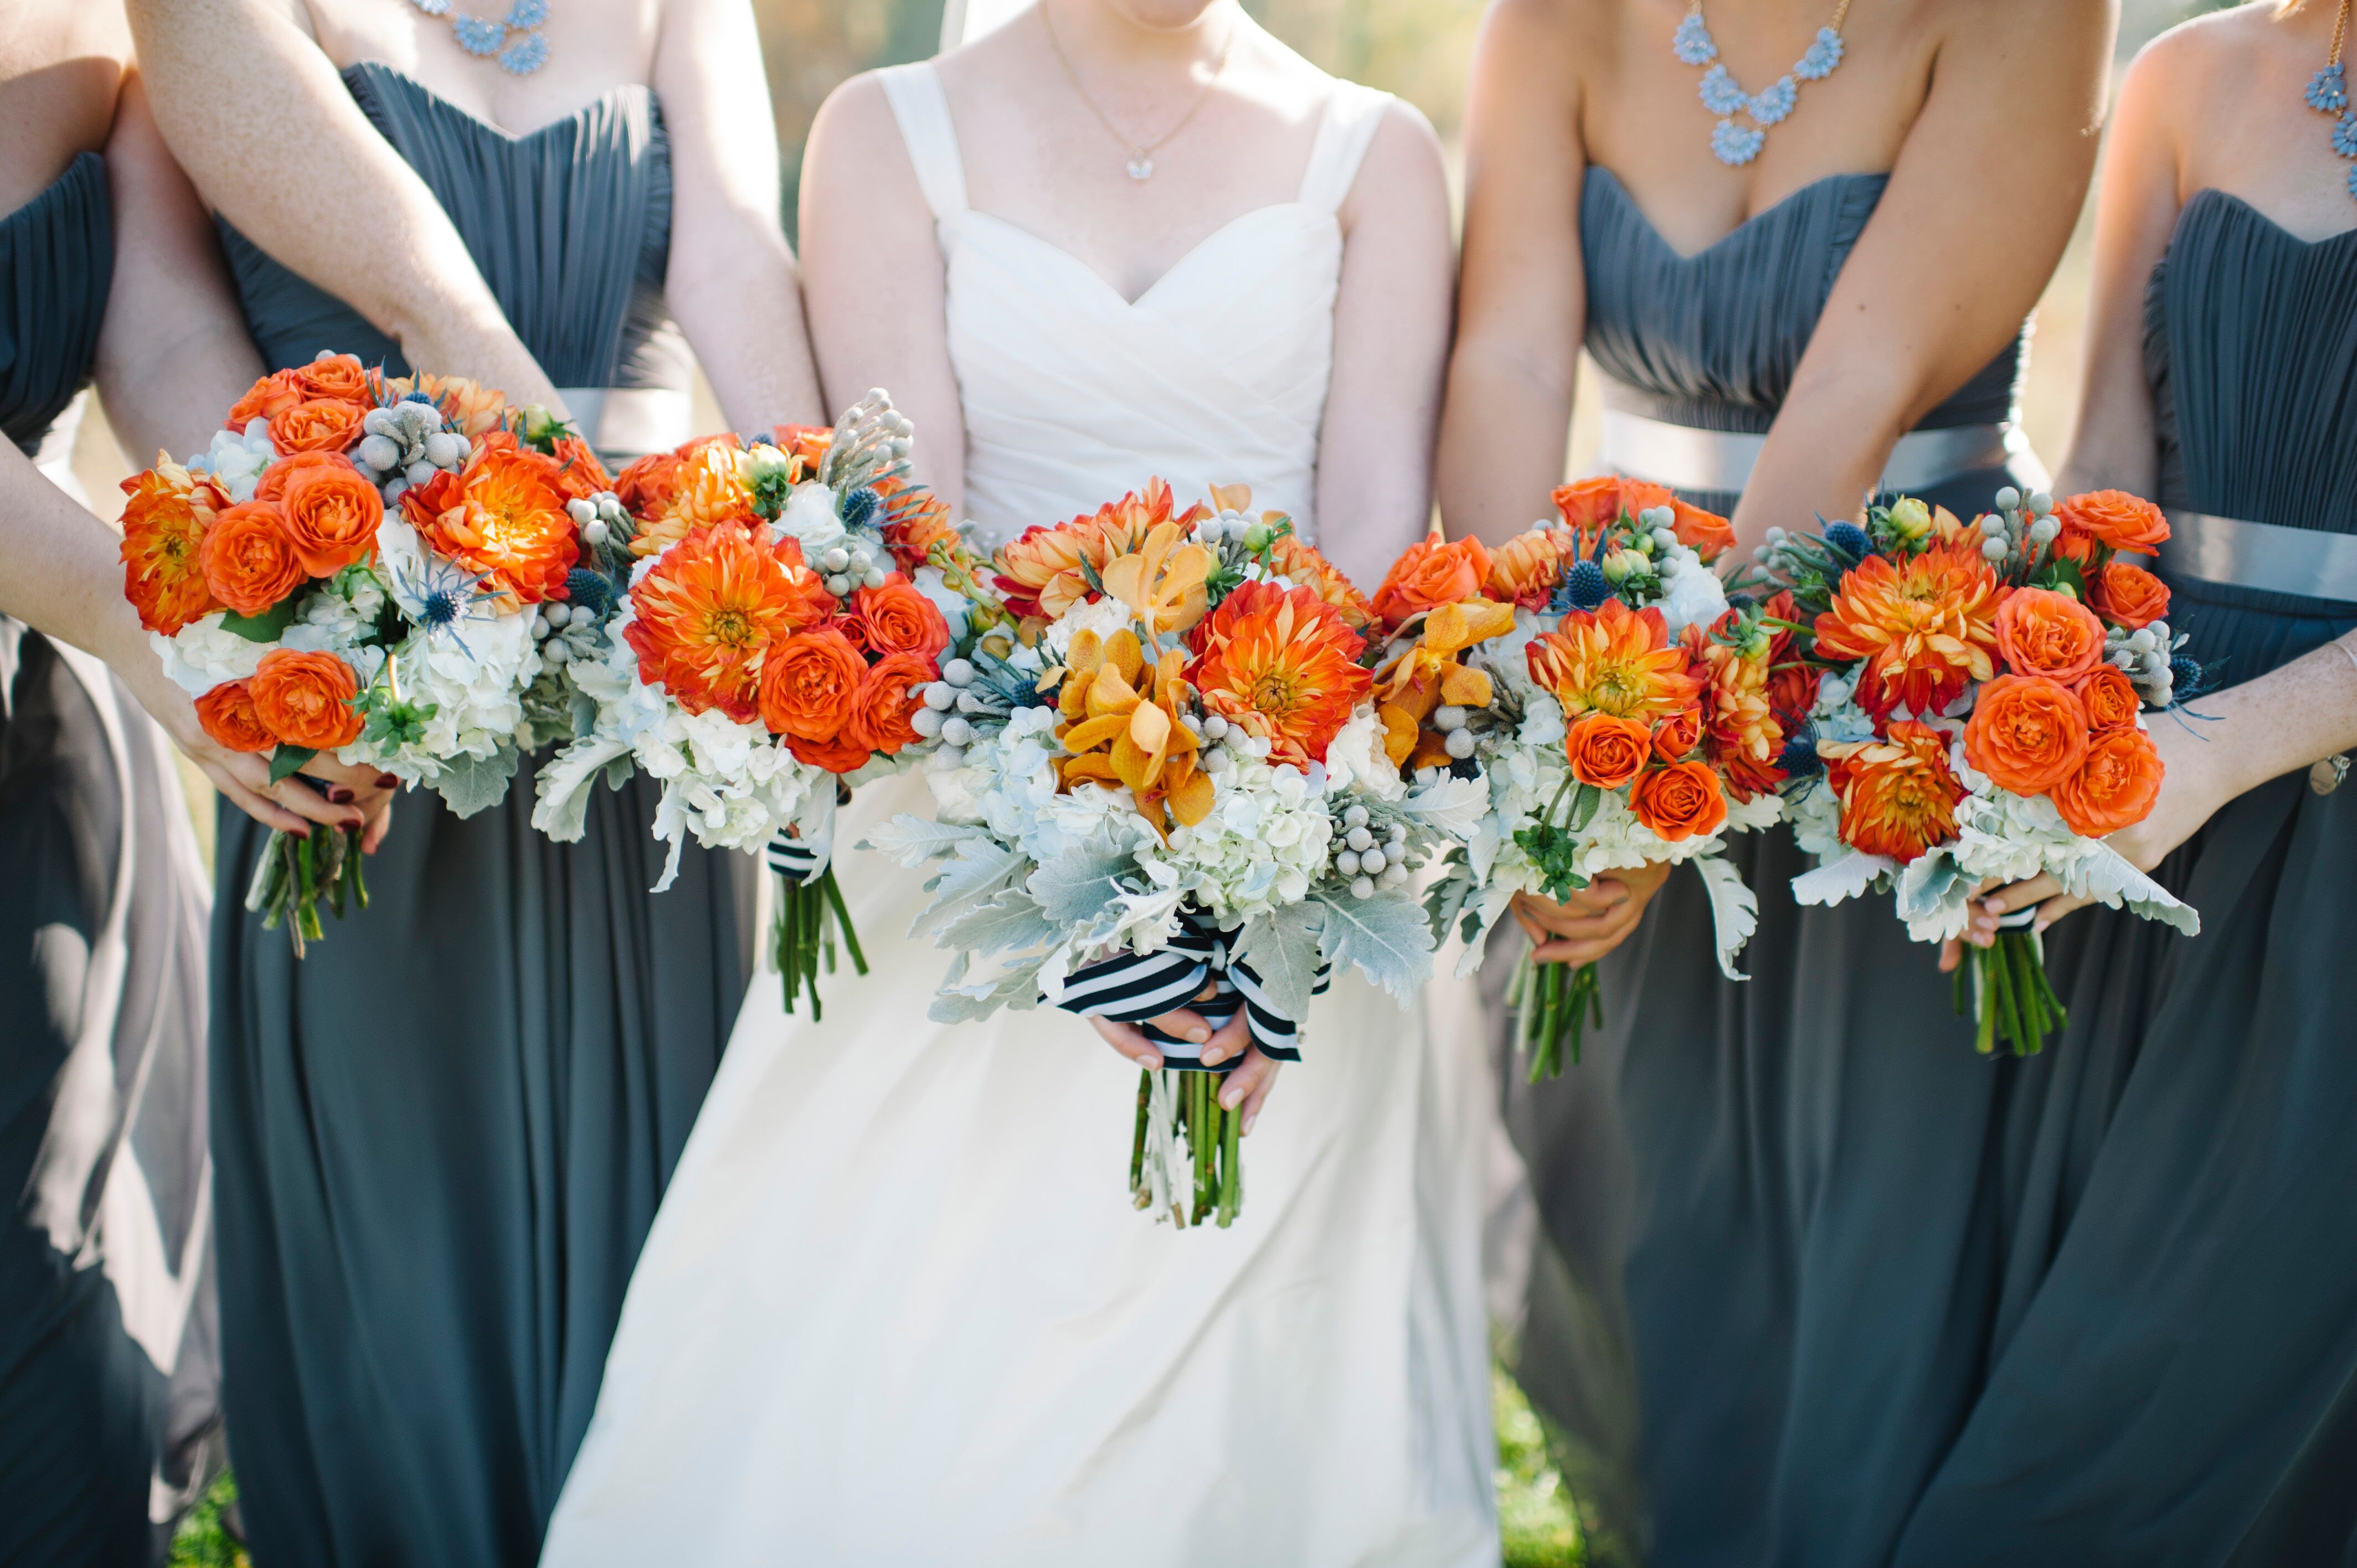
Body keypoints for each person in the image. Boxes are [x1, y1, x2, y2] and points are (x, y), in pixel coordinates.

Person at [541, 2, 1498, 1562]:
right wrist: (1088, 889)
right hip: (964, 823)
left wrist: (1256, 880)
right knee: (918, 1385)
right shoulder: (884, 132)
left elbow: (1376, 558)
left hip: (1291, 844)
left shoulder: (1373, 156)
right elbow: (920, 554)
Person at [123, 0, 825, 1560]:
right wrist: (276, 613)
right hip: (361, 728)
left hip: (633, 726)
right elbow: (163, 333)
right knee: (402, 1298)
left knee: (659, 1293)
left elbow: (731, 260)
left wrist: (829, 552)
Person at [1437, 0, 2110, 1560]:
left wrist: (1684, 771)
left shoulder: (2025, 18)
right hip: (1610, 684)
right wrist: (1526, 745)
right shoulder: (1556, 21)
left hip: (1896, 719)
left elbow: (1849, 402)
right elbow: (1510, 354)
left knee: (1876, 1283)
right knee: (1662, 1263)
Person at [1917, 2, 2357, 1557]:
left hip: (2275, 779)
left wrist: (2210, 759)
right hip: (2150, 778)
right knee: (2070, 1304)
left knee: (2218, 1369)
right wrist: (2043, 729)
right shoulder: (2183, 75)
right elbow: (2110, 455)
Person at [0, 2, 380, 1556]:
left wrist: (308, 557)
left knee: (51, 1388)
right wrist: (158, 649)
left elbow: (155, 343)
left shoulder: (121, 24)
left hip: (25, 783)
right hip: (85, 633)